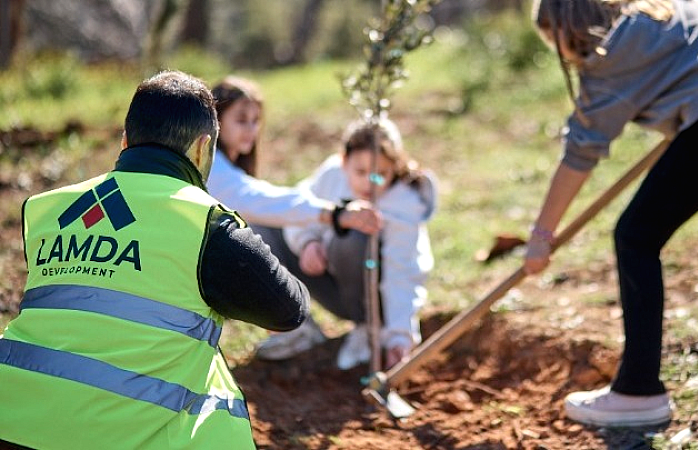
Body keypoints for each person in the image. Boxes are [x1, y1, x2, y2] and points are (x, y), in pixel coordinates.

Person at [0, 70, 310, 449]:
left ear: (125, 139)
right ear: (202, 149)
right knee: (215, 393)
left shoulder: (48, 207)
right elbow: (287, 310)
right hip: (115, 438)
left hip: (11, 420)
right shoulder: (204, 223)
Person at [525, 0, 698, 428]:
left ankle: (638, 393)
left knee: (636, 236)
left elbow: (580, 153)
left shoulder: (606, 61)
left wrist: (542, 235)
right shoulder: (671, 5)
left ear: (566, 31)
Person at [206, 76, 384, 359]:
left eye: (256, 120)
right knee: (252, 226)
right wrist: (334, 214)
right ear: (215, 121)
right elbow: (258, 200)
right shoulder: (212, 168)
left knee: (262, 225)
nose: (251, 130)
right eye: (241, 120)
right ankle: (290, 327)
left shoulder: (227, 165)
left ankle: (297, 328)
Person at [256, 118, 437, 370]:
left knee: (353, 236)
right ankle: (297, 327)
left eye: (381, 174)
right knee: (262, 226)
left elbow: (403, 272)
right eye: (360, 172)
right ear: (344, 161)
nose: (370, 184)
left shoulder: (404, 205)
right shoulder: (332, 175)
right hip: (331, 283)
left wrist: (400, 337)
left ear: (395, 167)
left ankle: (368, 327)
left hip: (374, 297)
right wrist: (308, 242)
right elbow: (297, 210)